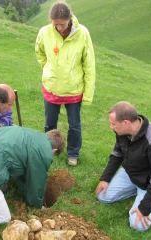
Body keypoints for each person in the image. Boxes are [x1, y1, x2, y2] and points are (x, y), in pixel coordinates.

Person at [95, 101, 151, 232]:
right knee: (102, 196)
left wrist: (145, 208)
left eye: (113, 124)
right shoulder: (122, 132)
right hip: (130, 174)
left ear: (126, 122)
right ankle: (136, 192)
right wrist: (105, 179)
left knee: (138, 226)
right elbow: (117, 154)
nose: (111, 127)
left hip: (149, 183)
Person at [35, 1, 95, 166]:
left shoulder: (82, 34)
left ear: (70, 19)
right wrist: (48, 68)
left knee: (74, 125)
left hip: (73, 89)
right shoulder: (45, 32)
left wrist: (88, 94)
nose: (59, 28)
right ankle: (48, 150)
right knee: (49, 124)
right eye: (55, 24)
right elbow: (39, 52)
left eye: (62, 24)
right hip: (52, 87)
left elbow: (89, 65)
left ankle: (73, 154)